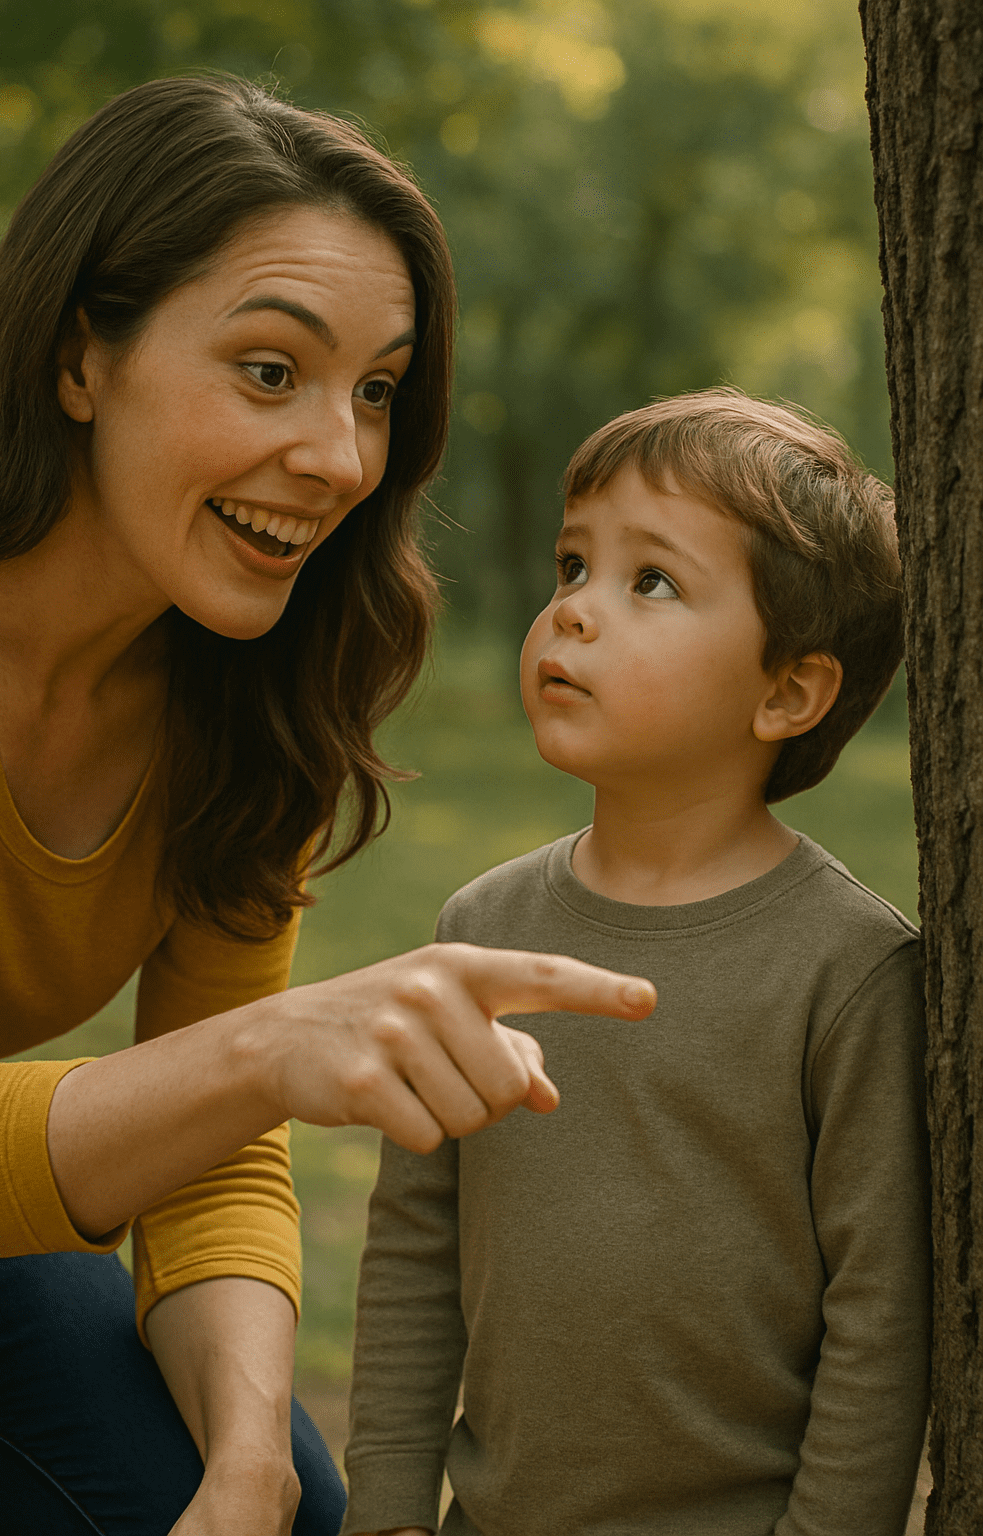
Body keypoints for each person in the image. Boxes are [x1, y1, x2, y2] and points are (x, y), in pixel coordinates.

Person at [0, 76, 659, 1536]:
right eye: (272, 371)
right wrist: (273, 1048)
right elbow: (227, 1080)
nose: (342, 459)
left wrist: (248, 1463)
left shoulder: (245, 697)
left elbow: (214, 1152)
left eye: (377, 391)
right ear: (81, 353)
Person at [343, 389, 931, 1536]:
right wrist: (390, 1510)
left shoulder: (850, 970)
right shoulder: (480, 928)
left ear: (786, 691)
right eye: (571, 567)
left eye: (648, 581)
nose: (571, 614)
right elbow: (415, 1248)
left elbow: (881, 1320)